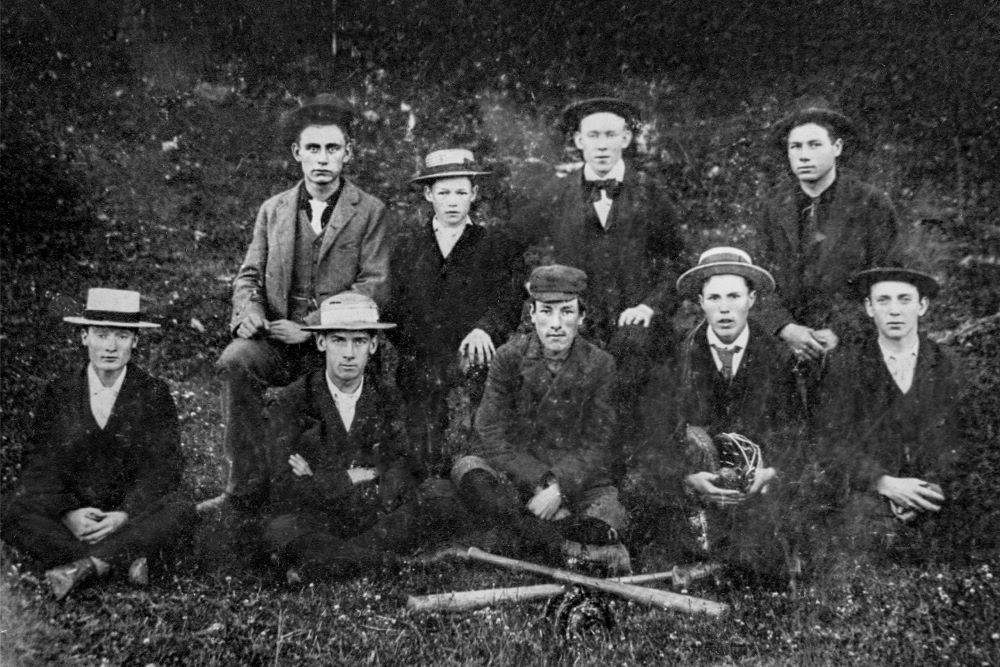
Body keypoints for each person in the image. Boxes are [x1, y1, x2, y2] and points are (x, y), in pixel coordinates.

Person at [208, 94, 390, 511]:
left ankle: (323, 488)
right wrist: (251, 312)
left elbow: (374, 286)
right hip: (276, 340)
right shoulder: (273, 210)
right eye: (312, 148)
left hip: (335, 343)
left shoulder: (370, 212)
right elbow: (249, 274)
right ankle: (244, 488)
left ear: (349, 153)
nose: (322, 159)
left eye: (332, 149)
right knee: (237, 360)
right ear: (297, 154)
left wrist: (312, 326)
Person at [1, 289, 197, 600]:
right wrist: (68, 512)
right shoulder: (60, 392)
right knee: (12, 508)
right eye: (101, 335)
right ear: (84, 337)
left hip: (125, 514)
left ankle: (87, 565)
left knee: (182, 508)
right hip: (75, 516)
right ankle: (124, 559)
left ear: (135, 341)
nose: (110, 346)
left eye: (121, 336)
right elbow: (38, 462)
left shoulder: (154, 393)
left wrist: (124, 515)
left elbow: (165, 468)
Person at [262, 292, 461, 583]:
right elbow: (282, 483)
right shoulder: (293, 400)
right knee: (280, 528)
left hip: (372, 514)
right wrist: (348, 478)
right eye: (338, 340)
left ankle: (334, 563)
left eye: (359, 341)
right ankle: (379, 562)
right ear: (321, 343)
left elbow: (404, 466)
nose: (348, 353)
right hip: (317, 518)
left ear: (373, 345)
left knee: (439, 497)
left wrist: (319, 477)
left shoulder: (388, 397)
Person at [511, 97, 685, 429]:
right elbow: (511, 242)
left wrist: (651, 306)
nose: (602, 145)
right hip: (581, 322)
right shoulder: (558, 193)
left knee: (635, 387)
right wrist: (539, 291)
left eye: (610, 135)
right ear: (578, 141)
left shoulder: (650, 193)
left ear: (626, 139)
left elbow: (678, 261)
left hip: (637, 325)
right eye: (593, 136)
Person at [633, 248, 803, 584]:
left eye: (734, 296)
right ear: (700, 302)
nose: (724, 308)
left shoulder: (779, 358)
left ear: (752, 299)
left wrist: (768, 473)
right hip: (699, 479)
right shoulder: (678, 356)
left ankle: (745, 556)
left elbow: (793, 434)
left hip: (756, 484)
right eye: (714, 297)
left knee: (767, 551)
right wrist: (688, 477)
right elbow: (657, 437)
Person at [451, 265, 631, 573]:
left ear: (582, 317)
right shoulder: (508, 357)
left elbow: (599, 442)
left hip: (578, 484)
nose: (556, 324)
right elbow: (490, 432)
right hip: (518, 477)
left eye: (567, 312)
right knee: (469, 472)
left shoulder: (601, 365)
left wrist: (559, 489)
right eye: (546, 312)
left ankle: (526, 540)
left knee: (608, 516)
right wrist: (539, 483)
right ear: (532, 314)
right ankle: (559, 543)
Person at [756, 106, 899, 413]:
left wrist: (841, 331)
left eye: (814, 145)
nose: (804, 156)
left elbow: (887, 279)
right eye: (795, 147)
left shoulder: (871, 203)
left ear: (837, 148)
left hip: (853, 339)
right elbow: (760, 280)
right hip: (789, 339)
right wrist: (784, 328)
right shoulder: (774, 207)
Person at [813, 268, 962, 560]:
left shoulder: (947, 363)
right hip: (871, 492)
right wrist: (884, 483)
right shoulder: (845, 365)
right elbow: (831, 443)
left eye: (904, 300)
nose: (894, 311)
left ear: (922, 306)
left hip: (933, 493)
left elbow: (959, 439)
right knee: (861, 542)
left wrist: (930, 486)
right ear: (869, 308)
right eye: (883, 301)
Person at [388, 149, 522, 474]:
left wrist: (485, 329)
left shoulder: (494, 243)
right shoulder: (408, 247)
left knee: (482, 421)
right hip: (423, 355)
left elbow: (509, 298)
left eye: (461, 192)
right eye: (443, 192)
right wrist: (417, 345)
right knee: (422, 427)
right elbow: (395, 306)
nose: (452, 202)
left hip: (476, 354)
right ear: (428, 194)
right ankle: (427, 475)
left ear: (474, 195)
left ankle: (478, 473)